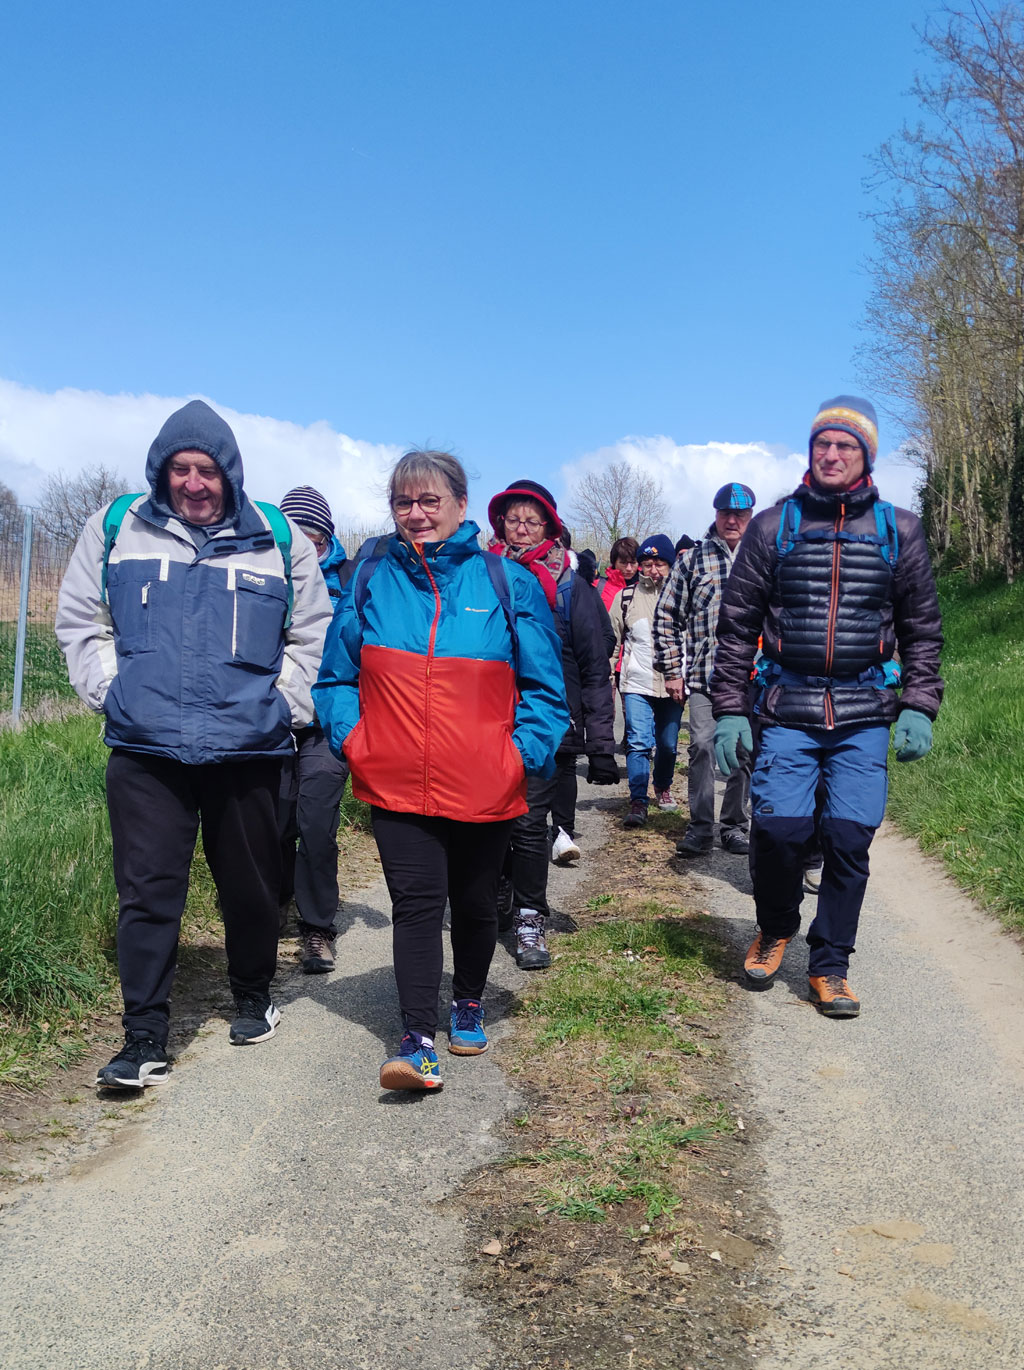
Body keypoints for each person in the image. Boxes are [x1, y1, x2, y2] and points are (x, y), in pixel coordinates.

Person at [55, 401, 333, 1087]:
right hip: (146, 747)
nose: (193, 482)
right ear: (161, 471)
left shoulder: (279, 539)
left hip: (249, 748)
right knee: (147, 892)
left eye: (206, 469)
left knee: (249, 885)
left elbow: (313, 635)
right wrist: (109, 692)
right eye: (179, 469)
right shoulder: (118, 528)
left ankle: (252, 996)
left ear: (229, 473)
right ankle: (143, 1037)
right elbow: (80, 619)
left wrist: (282, 710)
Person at [314, 451, 568, 1091]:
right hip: (396, 780)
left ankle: (470, 1002)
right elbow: (336, 678)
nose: (417, 513)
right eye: (404, 502)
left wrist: (520, 756)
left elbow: (545, 692)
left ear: (460, 505)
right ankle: (416, 1038)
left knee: (477, 903)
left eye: (430, 500)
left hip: (487, 782)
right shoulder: (370, 577)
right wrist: (357, 740)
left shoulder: (506, 582)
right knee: (417, 906)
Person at [711, 396, 943, 1017]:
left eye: (846, 445)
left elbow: (922, 627)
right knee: (781, 832)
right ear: (810, 451)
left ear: (866, 455)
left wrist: (919, 703)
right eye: (823, 444)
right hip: (787, 706)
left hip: (866, 710)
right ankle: (776, 923)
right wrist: (732, 708)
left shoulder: (900, 529)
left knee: (848, 838)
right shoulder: (772, 525)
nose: (832, 454)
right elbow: (736, 628)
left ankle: (831, 963)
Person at [487, 479, 618, 966]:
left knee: (527, 821)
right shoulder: (482, 574)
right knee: (492, 821)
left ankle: (530, 917)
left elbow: (593, 666)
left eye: (532, 520)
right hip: (488, 724)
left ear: (550, 527)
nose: (520, 529)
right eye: (512, 519)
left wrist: (600, 744)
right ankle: (499, 889)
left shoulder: (570, 586)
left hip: (547, 722)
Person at [654, 483, 756, 857]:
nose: (732, 520)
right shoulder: (692, 560)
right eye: (725, 513)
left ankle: (734, 825)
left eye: (740, 514)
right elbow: (666, 615)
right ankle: (700, 827)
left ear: (750, 518)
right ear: (715, 515)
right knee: (701, 747)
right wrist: (671, 669)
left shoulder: (763, 558)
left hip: (751, 677)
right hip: (703, 676)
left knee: (744, 752)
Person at [276, 486, 350, 973]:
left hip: (325, 725)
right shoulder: (261, 568)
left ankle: (318, 928)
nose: (305, 544)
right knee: (274, 823)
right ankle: (272, 906)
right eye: (294, 535)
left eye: (314, 536)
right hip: (272, 722)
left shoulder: (351, 578)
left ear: (327, 537)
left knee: (316, 826)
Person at [611, 534, 682, 828]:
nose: (653, 570)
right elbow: (613, 640)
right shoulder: (625, 598)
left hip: (673, 684)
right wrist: (606, 672)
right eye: (647, 563)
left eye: (660, 563)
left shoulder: (683, 598)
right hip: (636, 683)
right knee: (639, 742)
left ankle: (662, 785)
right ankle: (638, 801)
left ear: (670, 565)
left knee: (667, 745)